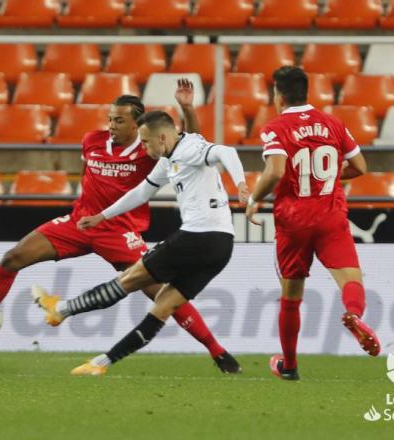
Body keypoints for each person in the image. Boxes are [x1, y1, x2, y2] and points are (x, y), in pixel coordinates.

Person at [0, 80, 242, 374]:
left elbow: (192, 142)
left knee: (161, 293)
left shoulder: (151, 150)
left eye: (119, 120)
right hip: (80, 222)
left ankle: (218, 352)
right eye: (110, 119)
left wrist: (187, 109)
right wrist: (91, 213)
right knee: (12, 258)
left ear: (137, 125)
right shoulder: (92, 141)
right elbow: (89, 178)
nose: (111, 125)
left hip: (119, 231)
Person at [35, 110, 249, 376]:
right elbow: (141, 192)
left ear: (162, 136)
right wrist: (102, 216)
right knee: (164, 305)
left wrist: (241, 184)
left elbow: (227, 152)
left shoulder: (191, 147)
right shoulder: (168, 158)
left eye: (146, 142)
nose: (144, 148)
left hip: (197, 236)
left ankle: (62, 310)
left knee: (127, 280)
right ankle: (101, 364)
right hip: (221, 245)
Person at [245, 66, 381, 381]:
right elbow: (360, 166)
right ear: (305, 93)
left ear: (278, 95)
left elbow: (276, 171)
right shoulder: (332, 123)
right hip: (330, 212)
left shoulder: (275, 128)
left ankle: (289, 366)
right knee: (351, 279)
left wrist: (254, 199)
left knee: (291, 296)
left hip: (294, 220)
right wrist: (329, 176)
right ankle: (355, 315)